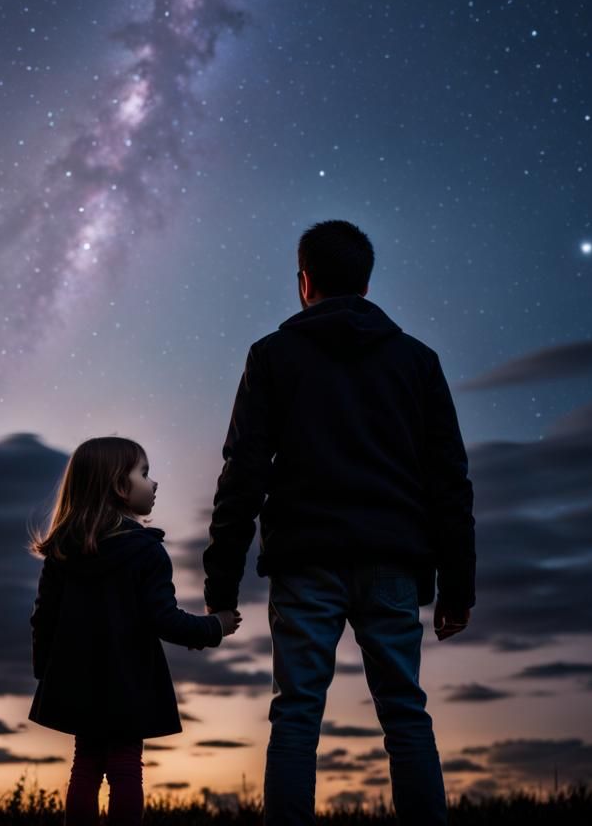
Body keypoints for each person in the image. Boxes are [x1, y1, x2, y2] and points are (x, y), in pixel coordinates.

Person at [202, 219, 476, 826]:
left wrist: (221, 582)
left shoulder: (272, 357)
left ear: (304, 282)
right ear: (367, 284)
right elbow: (449, 481)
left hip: (305, 560)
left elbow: (241, 473)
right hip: (393, 557)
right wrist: (458, 586)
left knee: (296, 714)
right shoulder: (417, 361)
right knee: (405, 711)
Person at [27, 436, 241, 825]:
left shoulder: (63, 551)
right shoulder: (145, 551)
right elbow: (164, 618)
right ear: (117, 485)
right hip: (128, 682)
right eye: (143, 473)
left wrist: (48, 673)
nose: (153, 483)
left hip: (77, 683)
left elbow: (44, 619)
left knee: (85, 765)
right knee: (125, 765)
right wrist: (215, 626)